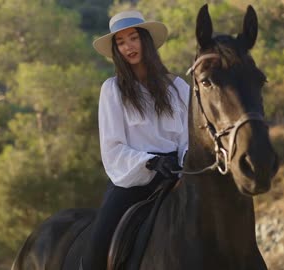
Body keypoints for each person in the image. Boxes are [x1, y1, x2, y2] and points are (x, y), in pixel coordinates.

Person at [81, 10, 189, 270]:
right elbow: (112, 148)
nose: (128, 46)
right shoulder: (112, 90)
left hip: (179, 175)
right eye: (120, 42)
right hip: (133, 179)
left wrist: (183, 164)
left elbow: (189, 139)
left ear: (146, 41)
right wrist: (151, 162)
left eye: (133, 38)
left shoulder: (178, 87)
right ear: (116, 50)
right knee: (97, 246)